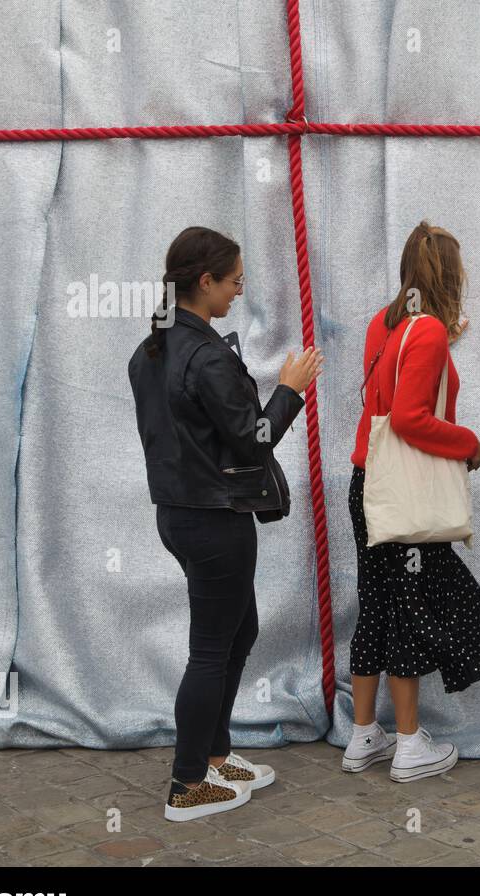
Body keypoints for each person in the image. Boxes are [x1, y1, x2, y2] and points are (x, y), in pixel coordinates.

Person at [128, 226, 324, 821]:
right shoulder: (204, 354)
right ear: (205, 281)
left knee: (239, 632)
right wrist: (289, 391)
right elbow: (253, 438)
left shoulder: (151, 349)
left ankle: (214, 755)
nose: (240, 290)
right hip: (215, 518)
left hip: (181, 514)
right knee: (212, 649)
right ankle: (188, 784)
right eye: (235, 280)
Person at [341, 221, 480, 783]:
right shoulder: (427, 332)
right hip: (405, 496)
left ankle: (363, 736)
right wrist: (470, 446)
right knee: (411, 610)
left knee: (378, 604)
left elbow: (386, 402)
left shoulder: (383, 325)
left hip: (369, 485)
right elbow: (411, 420)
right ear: (449, 274)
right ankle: (410, 746)